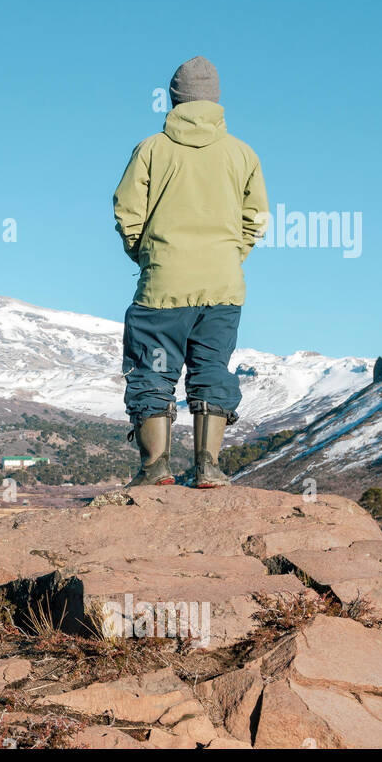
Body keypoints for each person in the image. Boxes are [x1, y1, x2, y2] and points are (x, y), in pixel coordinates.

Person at [113, 56, 269, 488]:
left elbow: (127, 213)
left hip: (163, 285)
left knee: (152, 370)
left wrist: (146, 256)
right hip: (222, 286)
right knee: (212, 367)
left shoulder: (150, 149)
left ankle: (155, 469)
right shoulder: (243, 154)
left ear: (173, 98)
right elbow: (255, 218)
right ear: (216, 98)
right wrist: (230, 255)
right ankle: (208, 468)